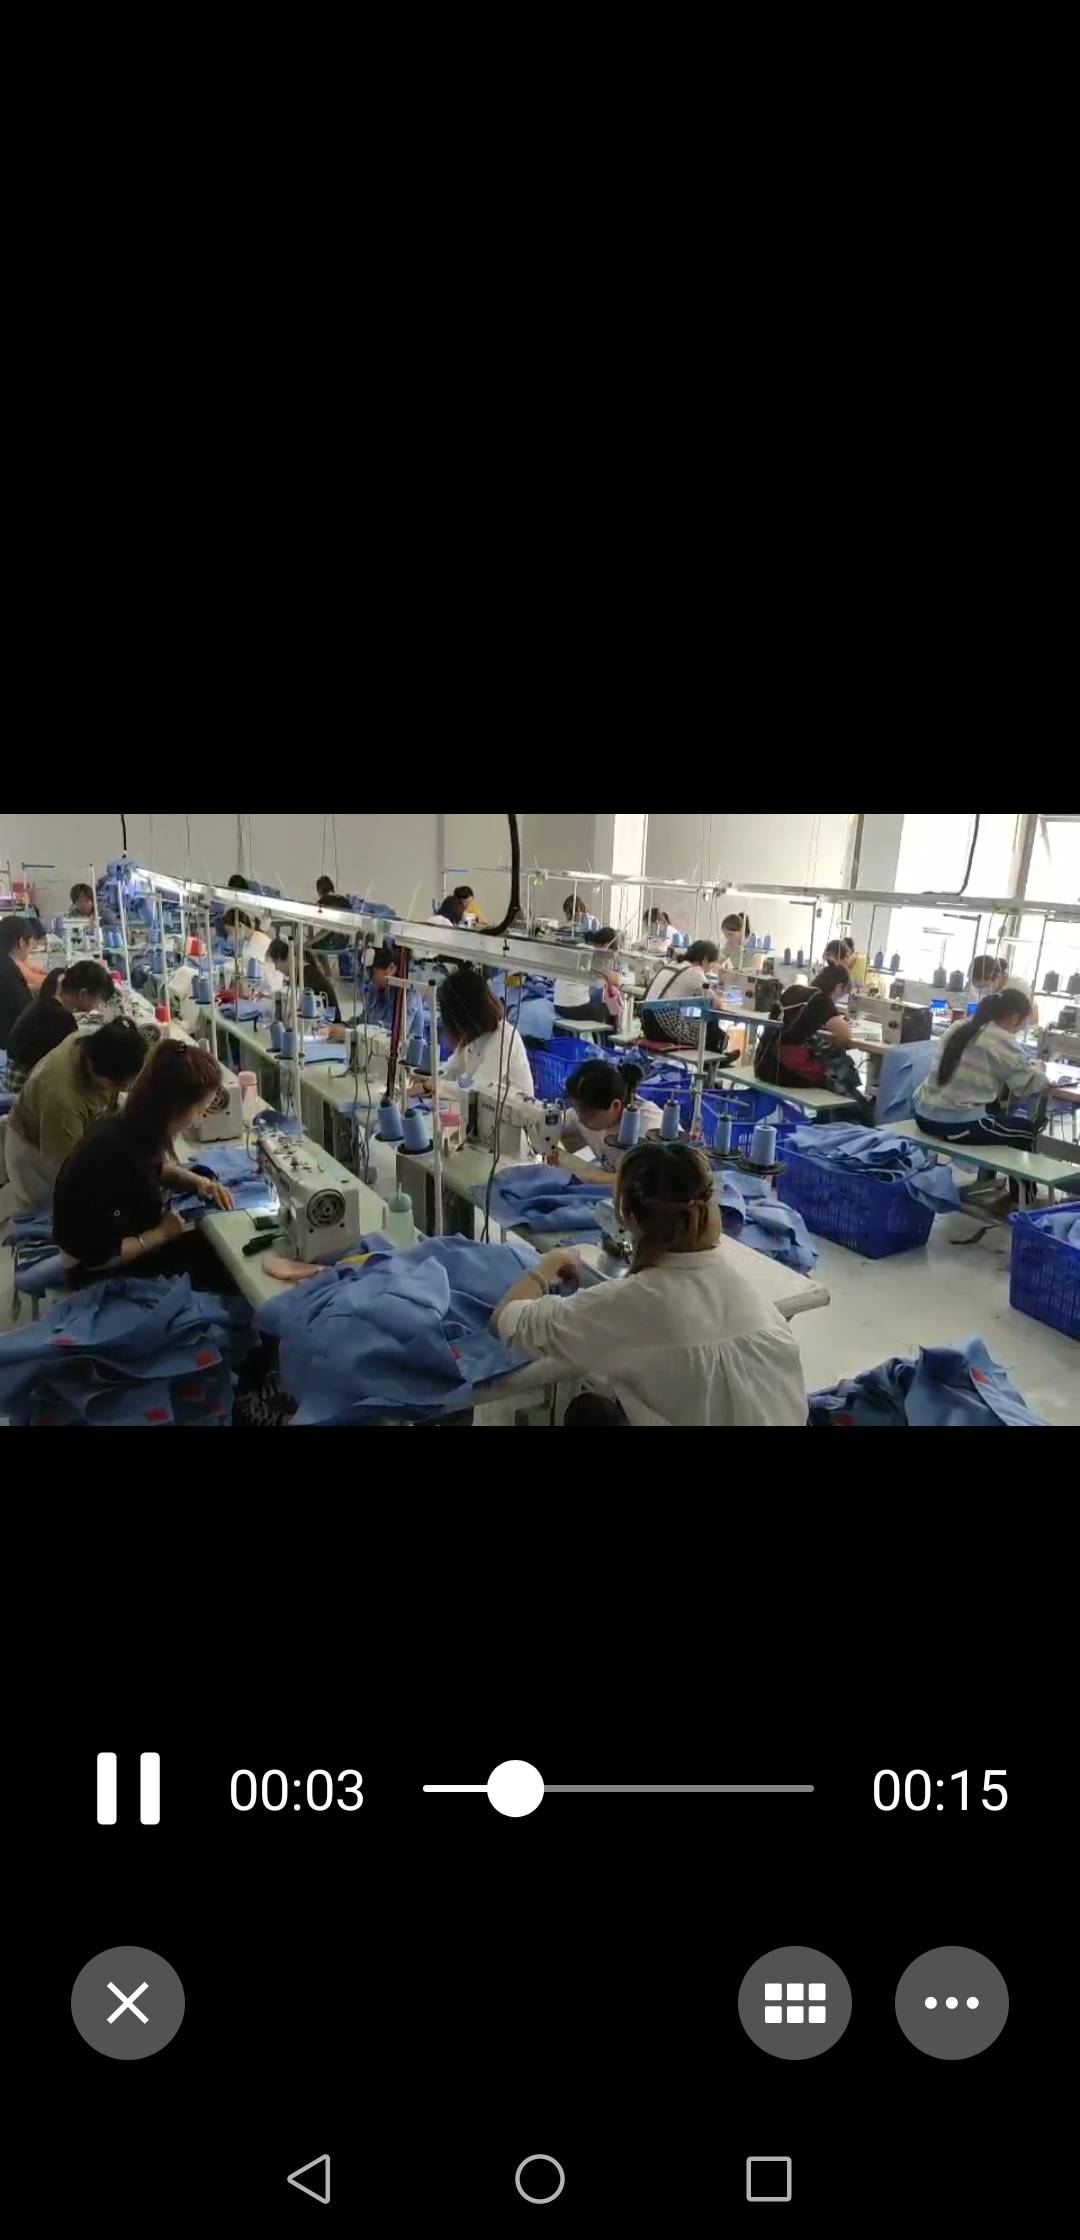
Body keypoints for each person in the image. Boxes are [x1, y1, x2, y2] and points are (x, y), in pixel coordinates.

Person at [491, 1140, 808, 1427]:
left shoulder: (631, 1305)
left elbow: (506, 1321)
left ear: (628, 1216)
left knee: (586, 1413)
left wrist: (550, 1263)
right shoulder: (749, 1292)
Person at [53, 1040, 236, 1287]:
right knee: (226, 1268)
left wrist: (197, 1182)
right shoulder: (112, 1156)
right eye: (200, 1111)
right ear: (176, 1108)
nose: (199, 1120)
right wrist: (162, 1233)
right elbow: (95, 1258)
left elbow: (152, 1168)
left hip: (117, 1244)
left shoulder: (132, 1128)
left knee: (215, 1248)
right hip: (97, 1273)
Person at [5, 1016, 147, 1210]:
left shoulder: (91, 1039)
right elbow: (72, 1170)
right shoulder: (62, 1100)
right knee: (70, 1206)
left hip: (62, 1122)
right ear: (92, 1066)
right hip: (35, 1154)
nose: (123, 1090)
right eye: (117, 1085)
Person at [914, 991, 1079, 1155]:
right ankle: (1015, 1174)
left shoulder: (959, 1026)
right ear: (1015, 1018)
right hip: (953, 1124)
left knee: (996, 1114)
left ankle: (989, 1170)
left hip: (923, 1115)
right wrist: (1039, 1069)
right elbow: (1028, 1085)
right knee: (1027, 1132)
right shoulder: (1001, 1038)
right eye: (1023, 1023)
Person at [4, 960, 117, 1092]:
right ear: (83, 994)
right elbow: (72, 1067)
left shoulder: (48, 1002)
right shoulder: (61, 1019)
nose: (98, 1007)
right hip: (21, 1086)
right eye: (98, 1000)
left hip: (16, 1071)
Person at [429, 967, 534, 1096]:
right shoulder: (474, 1034)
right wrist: (428, 1078)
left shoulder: (504, 1038)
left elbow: (476, 1090)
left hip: (509, 1108)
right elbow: (452, 1068)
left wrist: (432, 1085)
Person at [561, 1059, 664, 1162]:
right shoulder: (588, 1111)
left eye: (589, 1114)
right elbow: (558, 1123)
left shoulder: (648, 1130)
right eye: (578, 1111)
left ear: (615, 1105)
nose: (580, 1119)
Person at [642, 940, 728, 1051]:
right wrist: (722, 999)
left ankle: (717, 1056)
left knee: (703, 1025)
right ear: (705, 960)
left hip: (647, 1023)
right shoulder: (694, 972)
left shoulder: (673, 964)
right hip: (663, 1027)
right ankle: (717, 1059)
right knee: (711, 1031)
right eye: (711, 965)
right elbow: (718, 1005)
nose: (710, 970)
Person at [266, 936, 345, 1034]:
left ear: (288, 958)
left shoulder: (309, 980)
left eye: (276, 963)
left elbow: (327, 1017)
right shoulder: (300, 976)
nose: (276, 968)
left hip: (329, 1031)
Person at [554, 927, 626, 1024]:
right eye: (612, 954)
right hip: (573, 1008)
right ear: (606, 946)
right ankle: (611, 1033)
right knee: (611, 1009)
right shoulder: (596, 954)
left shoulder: (580, 947)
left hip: (558, 1005)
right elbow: (616, 981)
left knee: (600, 996)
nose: (611, 958)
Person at [355, 947, 423, 1042]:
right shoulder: (374, 988)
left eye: (373, 973)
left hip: (401, 1049)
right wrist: (344, 1027)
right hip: (373, 1046)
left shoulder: (408, 993)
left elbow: (397, 1037)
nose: (370, 978)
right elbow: (363, 1020)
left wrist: (354, 1034)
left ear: (391, 968)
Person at [0, 915, 46, 1047]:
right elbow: (26, 1014)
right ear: (21, 942)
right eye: (31, 942)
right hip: (9, 1043)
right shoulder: (8, 969)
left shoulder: (6, 962)